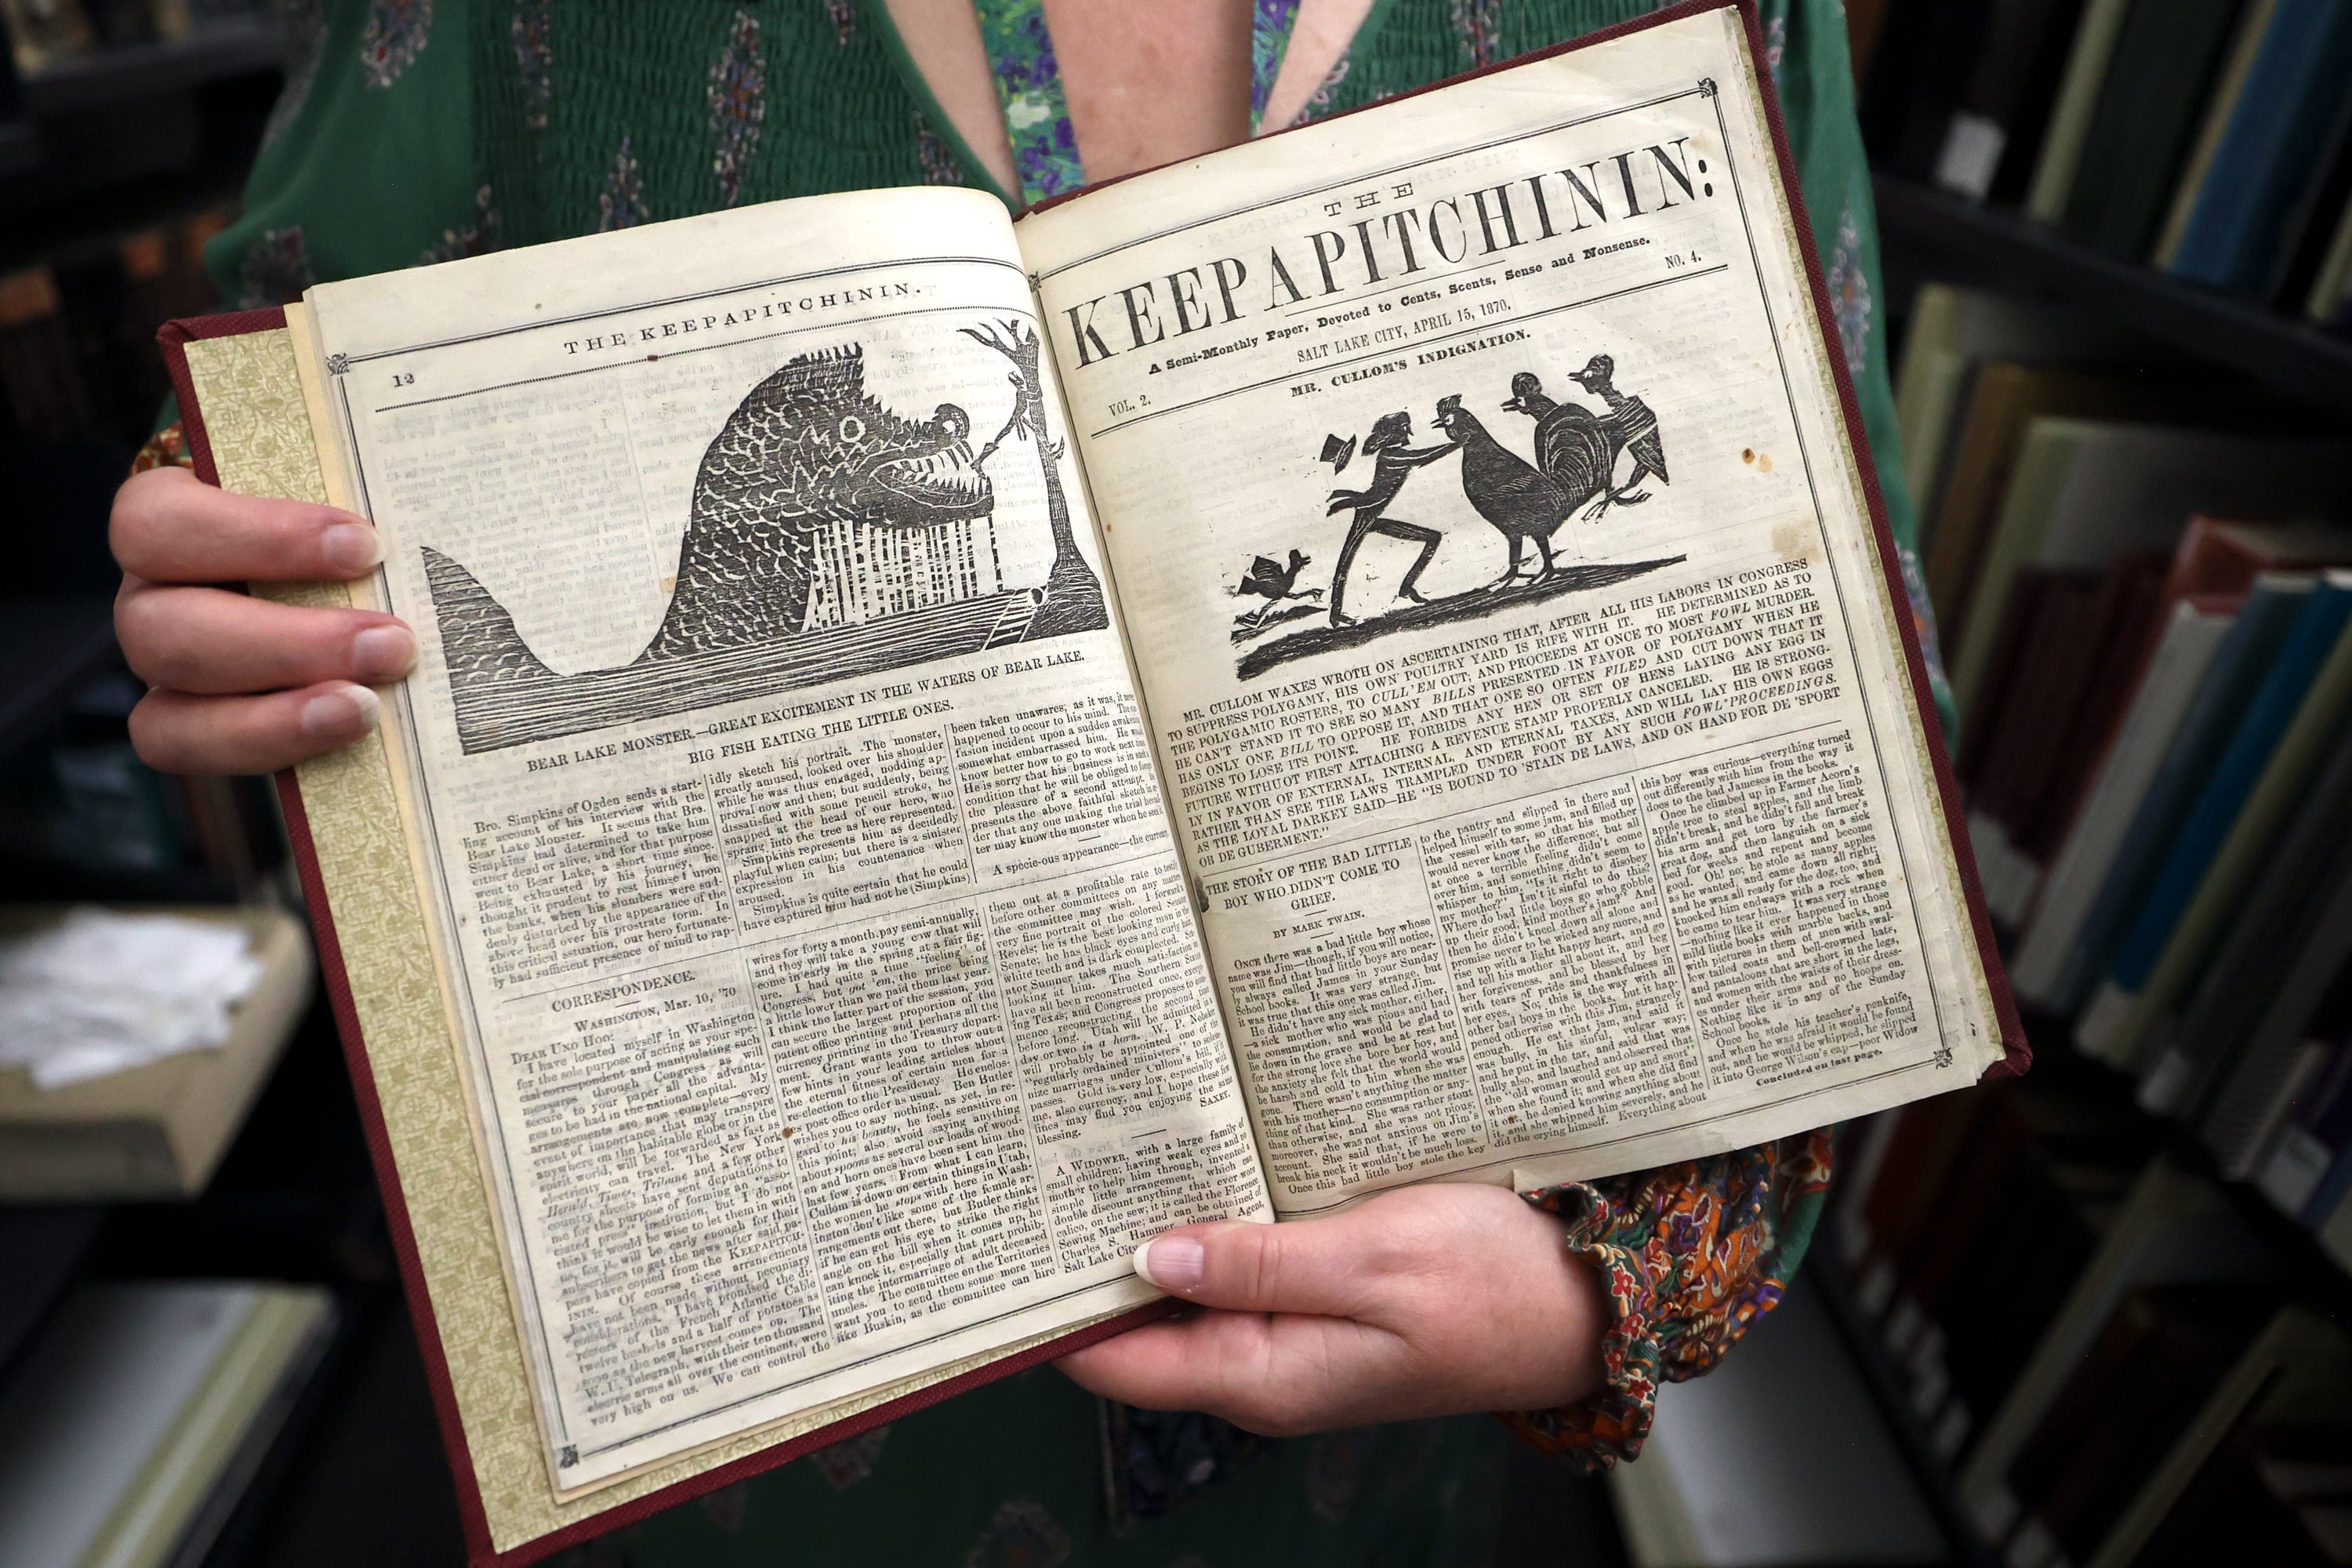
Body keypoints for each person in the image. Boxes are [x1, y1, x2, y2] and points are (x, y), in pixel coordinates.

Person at [111, 2, 1942, 1561]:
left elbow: (1846, 714)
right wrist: (235, 585)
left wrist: (1589, 1299)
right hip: (757, 1443)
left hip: (1382, 1489)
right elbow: (292, 444)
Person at [1326, 410, 1454, 623]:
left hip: (1373, 515)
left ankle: (1406, 588)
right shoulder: (1392, 456)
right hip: (1367, 512)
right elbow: (1422, 456)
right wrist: (1455, 445)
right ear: (1395, 431)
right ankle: (1335, 614)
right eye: (1404, 428)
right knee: (1345, 560)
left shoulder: (1394, 454)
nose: (1408, 432)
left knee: (1433, 538)